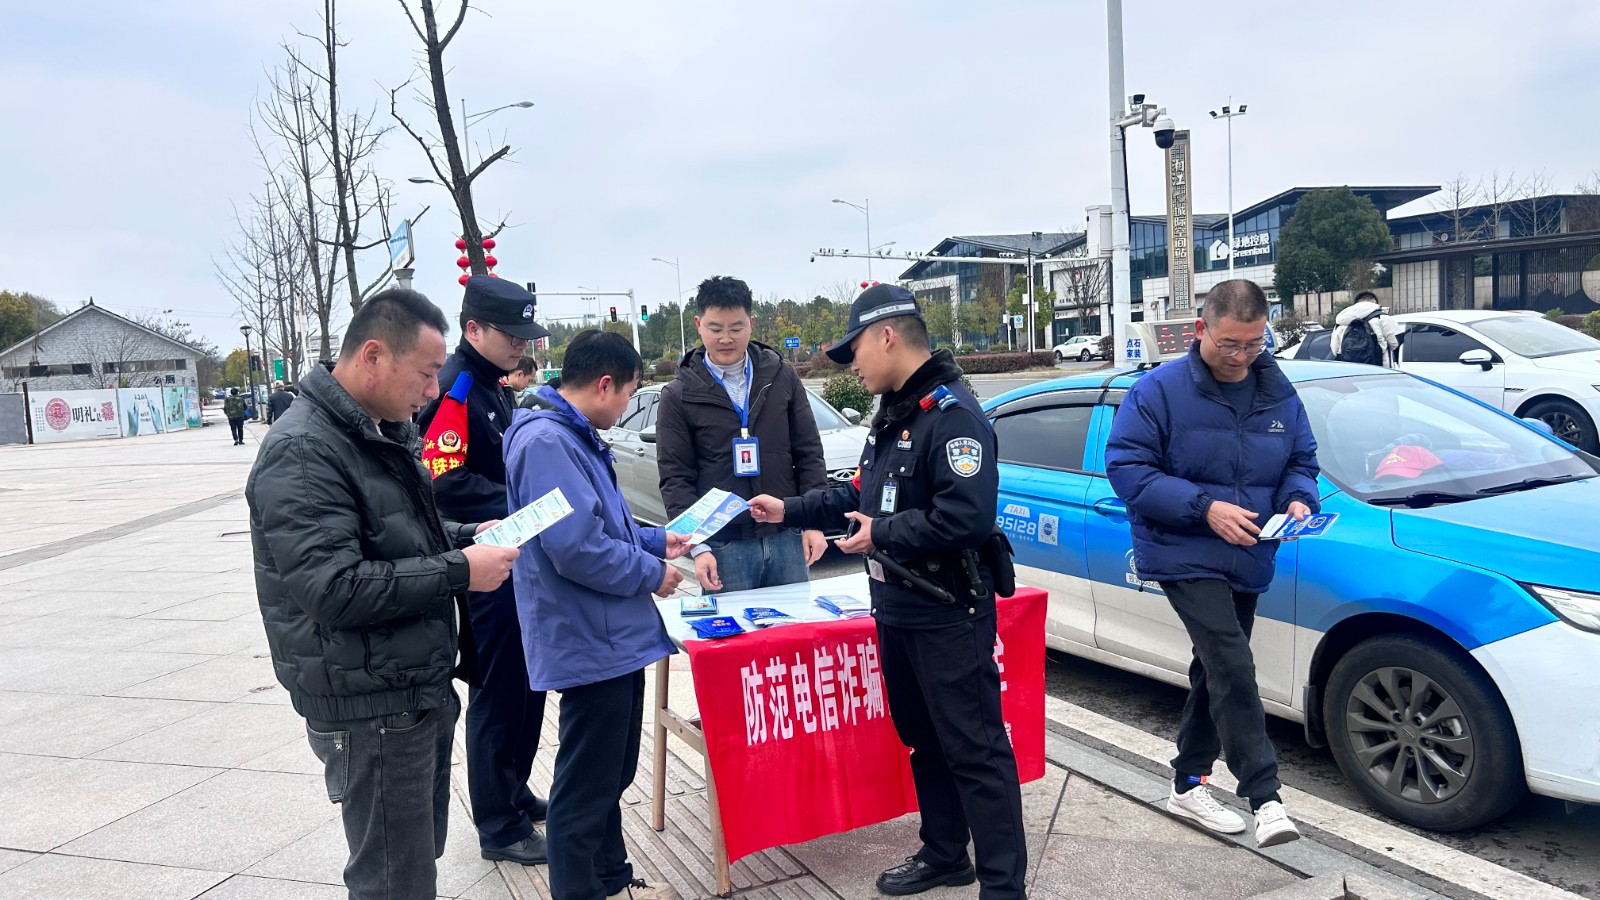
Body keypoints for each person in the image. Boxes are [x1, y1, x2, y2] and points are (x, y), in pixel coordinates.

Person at [747, 285, 1026, 900]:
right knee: (925, 740)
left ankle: (1004, 887)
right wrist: (788, 510)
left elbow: (966, 518)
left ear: (887, 336)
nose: (852, 367)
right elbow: (861, 494)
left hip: (947, 609)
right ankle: (946, 854)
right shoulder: (896, 414)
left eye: (855, 353)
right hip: (898, 607)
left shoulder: (952, 415)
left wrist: (882, 534)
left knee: (976, 751)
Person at [246, 288, 522, 900]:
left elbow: (395, 533)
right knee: (394, 879)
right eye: (425, 373)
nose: (432, 390)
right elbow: (332, 587)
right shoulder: (304, 449)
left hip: (406, 685)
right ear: (373, 356)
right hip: (370, 704)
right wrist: (460, 570)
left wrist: (467, 535)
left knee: (413, 862)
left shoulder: (372, 430)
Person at [1104, 278, 1319, 849]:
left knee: (1215, 668)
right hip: (1181, 546)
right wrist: (1204, 509)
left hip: (1250, 546)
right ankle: (1265, 797)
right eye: (1229, 344)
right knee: (1232, 661)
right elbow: (1127, 469)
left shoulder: (1278, 391)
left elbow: (1301, 461)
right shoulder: (1157, 391)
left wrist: (1300, 499)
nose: (1241, 356)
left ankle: (1188, 783)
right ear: (1201, 329)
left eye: (1253, 343)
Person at [503, 329, 687, 900]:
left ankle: (610, 877)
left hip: (610, 633)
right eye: (629, 393)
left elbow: (598, 524)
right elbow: (576, 548)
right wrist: (652, 574)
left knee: (611, 773)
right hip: (589, 636)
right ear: (605, 384)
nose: (627, 406)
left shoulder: (570, 434)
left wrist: (656, 541)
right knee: (585, 788)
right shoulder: (547, 443)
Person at [417, 275, 553, 866]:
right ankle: (499, 825)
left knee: (527, 685)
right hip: (484, 565)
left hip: (514, 557)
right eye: (512, 335)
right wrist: (524, 503)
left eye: (527, 336)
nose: (522, 345)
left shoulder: (494, 385)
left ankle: (514, 790)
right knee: (499, 692)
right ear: (473, 329)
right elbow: (443, 482)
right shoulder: (458, 388)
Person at [656, 275, 828, 593]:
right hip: (723, 547)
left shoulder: (781, 376)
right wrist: (698, 547)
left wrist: (813, 521)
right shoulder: (679, 394)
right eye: (715, 328)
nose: (726, 338)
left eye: (736, 328)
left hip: (786, 538)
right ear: (698, 325)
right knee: (731, 626)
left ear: (751, 323)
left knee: (796, 625)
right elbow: (676, 477)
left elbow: (809, 453)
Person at [1330, 291, 1400, 367]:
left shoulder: (1341, 320)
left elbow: (1335, 349)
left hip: (1349, 368)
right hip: (1378, 367)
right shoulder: (1381, 317)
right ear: (1373, 301)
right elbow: (1395, 343)